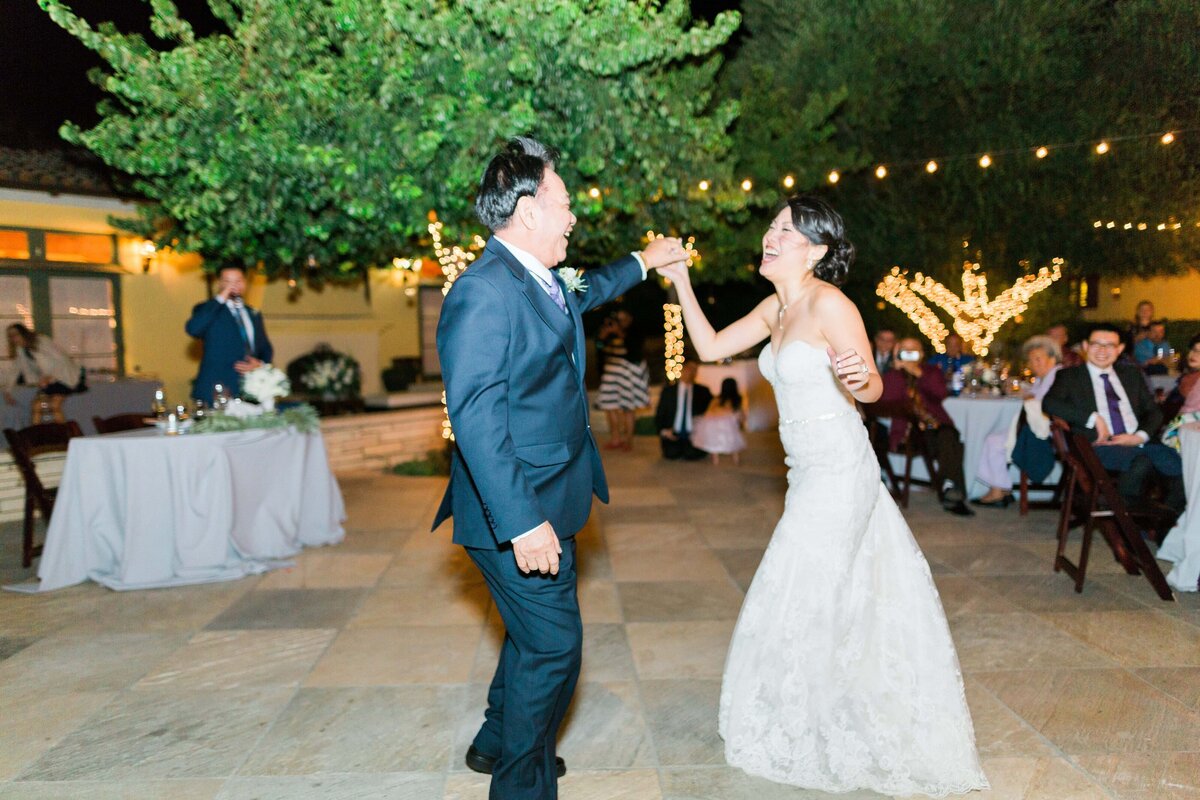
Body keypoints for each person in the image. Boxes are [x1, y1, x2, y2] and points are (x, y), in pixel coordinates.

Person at [658, 195, 987, 796]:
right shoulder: (773, 308)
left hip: (839, 470)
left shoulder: (829, 302)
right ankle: (819, 705)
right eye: (773, 226)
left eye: (786, 230)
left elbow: (871, 382)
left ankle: (807, 721)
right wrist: (679, 279)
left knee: (800, 582)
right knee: (834, 588)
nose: (771, 236)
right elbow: (708, 348)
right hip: (803, 472)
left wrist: (862, 379)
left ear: (817, 249)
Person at [432, 136, 683, 800]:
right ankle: (521, 785)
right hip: (513, 511)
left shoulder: (543, 277)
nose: (574, 216)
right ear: (527, 209)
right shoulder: (482, 293)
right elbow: (477, 419)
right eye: (565, 202)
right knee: (554, 649)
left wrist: (645, 260)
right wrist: (522, 525)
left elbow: (590, 288)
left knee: (533, 633)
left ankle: (494, 740)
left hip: (557, 494)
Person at [1042, 322, 1185, 519]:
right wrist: (1093, 418)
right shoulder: (1070, 376)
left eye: (1110, 345)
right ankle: (1127, 529)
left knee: (1186, 467)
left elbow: (1154, 412)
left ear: (1119, 349)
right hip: (1099, 446)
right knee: (1140, 463)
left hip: (1139, 443)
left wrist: (1139, 436)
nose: (1102, 350)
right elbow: (1049, 403)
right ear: (1085, 346)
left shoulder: (1131, 375)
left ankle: (1161, 527)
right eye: (1096, 344)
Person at [875, 336, 975, 516]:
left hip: (935, 425)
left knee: (948, 436)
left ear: (921, 354)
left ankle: (950, 487)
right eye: (905, 351)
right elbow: (886, 402)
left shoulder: (930, 372)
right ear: (898, 353)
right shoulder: (892, 375)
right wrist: (897, 372)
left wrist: (918, 374)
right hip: (909, 431)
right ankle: (951, 489)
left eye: (914, 351)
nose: (910, 355)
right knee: (952, 445)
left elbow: (940, 394)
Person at [973, 335, 1061, 507]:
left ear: (1052, 358)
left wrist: (1025, 395)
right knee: (993, 439)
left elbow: (1042, 402)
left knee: (994, 441)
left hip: (1045, 434)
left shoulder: (1057, 376)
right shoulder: (1046, 377)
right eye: (1031, 360)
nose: (1034, 364)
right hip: (1034, 429)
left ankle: (999, 490)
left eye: (1038, 359)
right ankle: (1000, 489)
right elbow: (1035, 393)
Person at [184, 264, 273, 403]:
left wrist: (259, 364)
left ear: (245, 283)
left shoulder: (253, 313)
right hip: (216, 391)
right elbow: (193, 329)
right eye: (228, 281)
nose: (233, 285)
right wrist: (221, 298)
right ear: (219, 283)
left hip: (250, 390)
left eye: (238, 281)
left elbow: (265, 349)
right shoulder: (206, 309)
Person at [3, 324, 86, 422]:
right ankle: (36, 435)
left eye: (16, 334)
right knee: (36, 407)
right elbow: (14, 370)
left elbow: (61, 359)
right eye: (10, 336)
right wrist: (7, 391)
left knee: (55, 406)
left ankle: (64, 434)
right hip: (49, 381)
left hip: (64, 377)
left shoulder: (41, 341)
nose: (13, 338)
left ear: (23, 333)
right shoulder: (21, 350)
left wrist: (50, 377)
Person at [594, 307, 650, 450]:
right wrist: (603, 336)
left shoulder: (635, 331)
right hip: (611, 372)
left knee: (627, 407)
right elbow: (599, 347)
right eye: (619, 319)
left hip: (628, 373)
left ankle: (629, 440)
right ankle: (616, 439)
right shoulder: (609, 331)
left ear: (630, 318)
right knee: (609, 405)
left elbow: (634, 350)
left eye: (623, 319)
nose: (621, 322)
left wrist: (618, 332)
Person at [654, 360, 712, 460]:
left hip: (694, 435)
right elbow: (660, 414)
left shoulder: (703, 391)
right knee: (671, 454)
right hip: (673, 434)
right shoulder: (668, 391)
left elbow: (712, 412)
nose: (692, 372)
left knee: (692, 454)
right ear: (682, 370)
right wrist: (664, 431)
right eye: (689, 368)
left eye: (695, 370)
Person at [691, 376, 747, 465]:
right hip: (728, 425)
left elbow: (708, 412)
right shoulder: (735, 400)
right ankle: (735, 459)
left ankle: (717, 459)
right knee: (732, 440)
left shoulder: (719, 399)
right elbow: (740, 413)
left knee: (716, 441)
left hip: (719, 425)